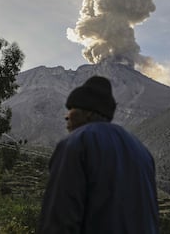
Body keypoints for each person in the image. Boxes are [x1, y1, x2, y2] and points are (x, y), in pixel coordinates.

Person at [38, 76, 159, 234]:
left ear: (88, 113)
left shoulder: (77, 143)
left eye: (72, 109)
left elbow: (59, 219)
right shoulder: (143, 152)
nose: (66, 116)